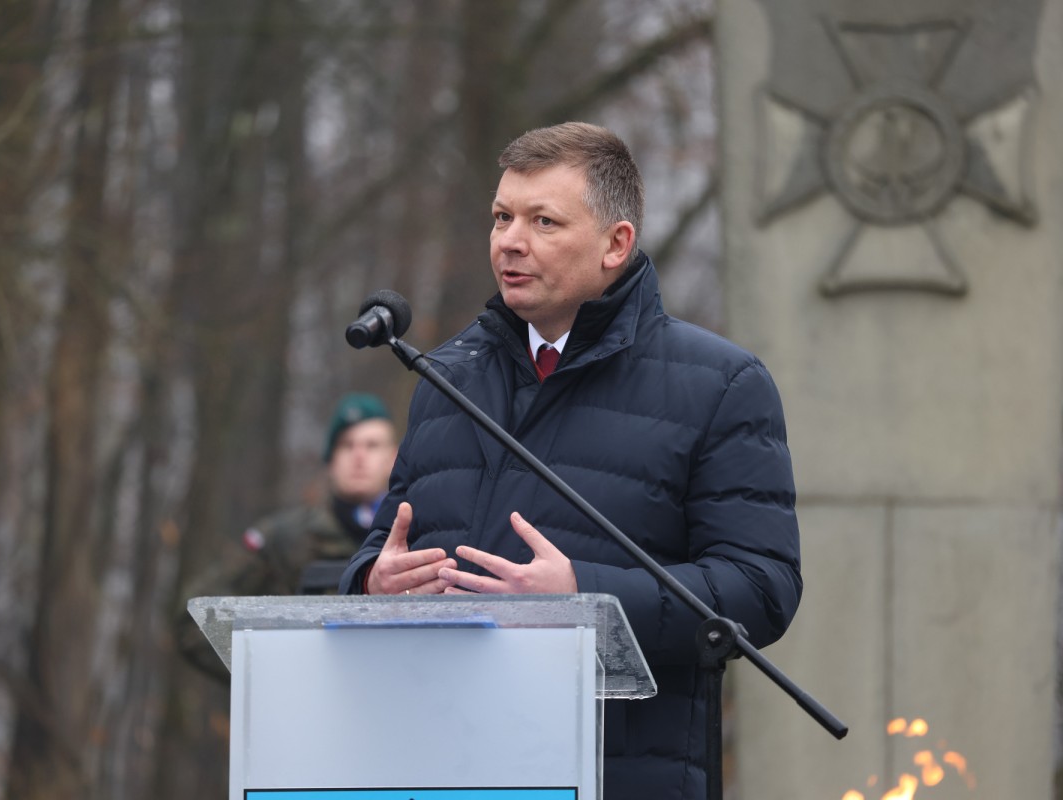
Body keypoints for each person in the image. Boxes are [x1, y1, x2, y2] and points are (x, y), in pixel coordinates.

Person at [338, 122, 801, 799]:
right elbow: (387, 540)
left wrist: (585, 596)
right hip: (438, 762)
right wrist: (371, 582)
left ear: (616, 244)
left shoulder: (721, 385)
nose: (510, 240)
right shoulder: (446, 377)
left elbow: (762, 588)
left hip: (616, 772)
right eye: (502, 217)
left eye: (543, 221)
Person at [176, 392, 398, 680]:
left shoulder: (417, 538)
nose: (359, 457)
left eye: (372, 445)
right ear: (330, 459)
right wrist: (272, 676)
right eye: (346, 445)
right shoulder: (284, 539)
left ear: (393, 458)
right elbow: (195, 622)